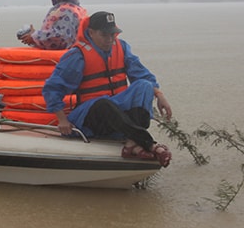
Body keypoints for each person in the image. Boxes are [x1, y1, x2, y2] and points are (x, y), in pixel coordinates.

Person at [42, 11, 173, 167]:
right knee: (103, 103)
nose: (110, 39)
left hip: (117, 113)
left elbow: (142, 74)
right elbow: (52, 88)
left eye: (112, 34)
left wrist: (159, 95)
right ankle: (149, 144)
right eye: (104, 35)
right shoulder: (77, 56)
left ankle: (132, 143)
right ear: (91, 32)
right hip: (90, 115)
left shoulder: (122, 47)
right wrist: (62, 119)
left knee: (144, 85)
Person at [19, 0, 87, 50]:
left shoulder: (65, 11)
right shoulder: (77, 9)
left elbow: (60, 37)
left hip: (64, 60)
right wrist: (35, 35)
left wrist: (35, 37)